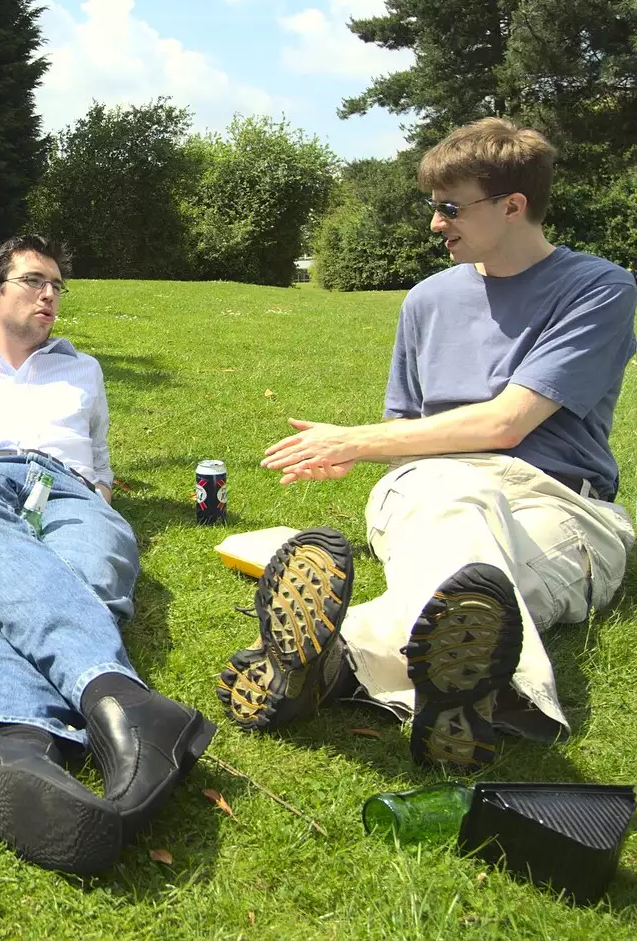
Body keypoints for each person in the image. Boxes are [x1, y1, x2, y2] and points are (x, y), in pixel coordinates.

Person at [218, 118, 636, 772]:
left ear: (513, 206)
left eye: (450, 207)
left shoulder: (599, 288)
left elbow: (507, 422)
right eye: (432, 207)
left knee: (487, 593)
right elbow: (410, 435)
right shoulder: (426, 301)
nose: (435, 224)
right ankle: (500, 699)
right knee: (461, 534)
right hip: (434, 485)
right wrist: (377, 448)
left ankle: (334, 663)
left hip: (559, 504)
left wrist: (356, 440)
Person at [0, 234, 215, 875]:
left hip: (63, 486)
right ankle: (122, 698)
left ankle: (20, 738)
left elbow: (101, 467)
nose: (49, 294)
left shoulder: (82, 369)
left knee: (90, 557)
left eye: (57, 286)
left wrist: (93, 501)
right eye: (35, 280)